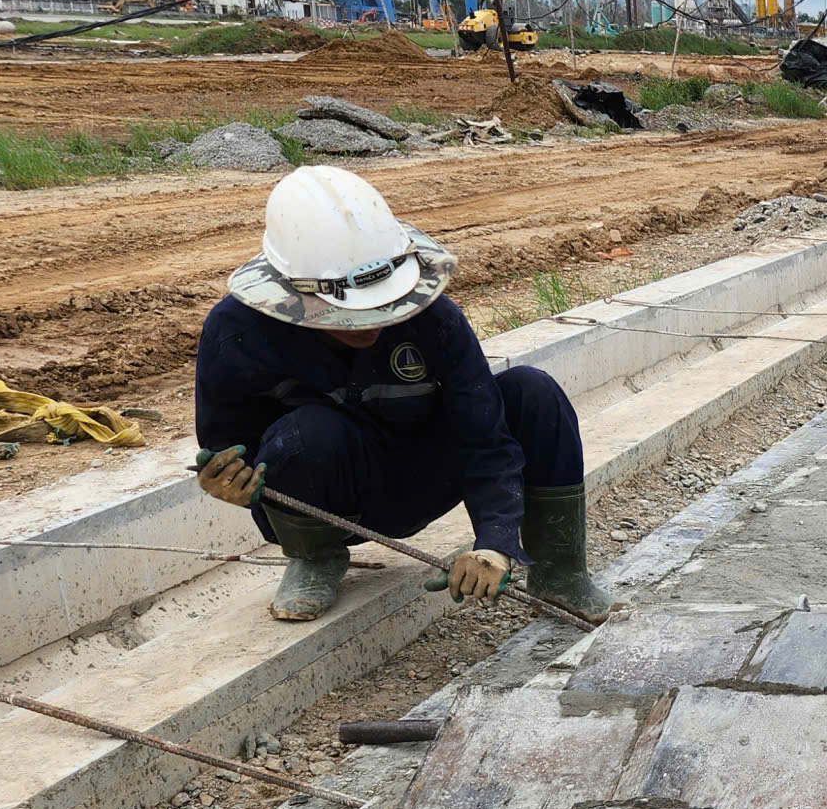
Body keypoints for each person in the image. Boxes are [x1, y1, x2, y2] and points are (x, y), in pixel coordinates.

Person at [192, 165, 613, 625]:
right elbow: (231, 449)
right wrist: (229, 483)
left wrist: (495, 542)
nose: (373, 325)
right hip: (331, 499)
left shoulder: (436, 320)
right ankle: (314, 558)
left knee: (533, 391)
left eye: (384, 307)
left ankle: (561, 573)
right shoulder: (237, 333)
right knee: (305, 434)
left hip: (426, 472)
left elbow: (485, 439)